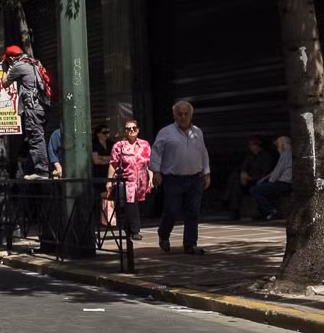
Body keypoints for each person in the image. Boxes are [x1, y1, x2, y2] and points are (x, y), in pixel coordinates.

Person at [151, 100, 211, 255]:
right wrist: (156, 172)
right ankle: (163, 234)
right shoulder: (165, 132)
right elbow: (156, 153)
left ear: (191, 115)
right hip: (173, 179)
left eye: (186, 114)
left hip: (194, 178)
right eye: (180, 114)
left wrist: (206, 173)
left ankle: (190, 244)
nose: (183, 117)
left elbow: (203, 153)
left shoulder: (197, 132)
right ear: (174, 115)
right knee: (171, 210)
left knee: (193, 212)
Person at [0, 45, 50, 179]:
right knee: (35, 138)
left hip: (32, 108)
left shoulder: (19, 66)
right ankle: (31, 169)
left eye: (8, 61)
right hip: (42, 107)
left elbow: (4, 83)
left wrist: (5, 70)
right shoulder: (33, 62)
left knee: (35, 139)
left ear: (11, 58)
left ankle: (42, 171)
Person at [108, 119, 152, 241]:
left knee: (133, 205)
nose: (131, 131)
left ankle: (127, 229)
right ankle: (135, 230)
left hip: (141, 180)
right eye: (128, 129)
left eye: (134, 128)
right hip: (126, 180)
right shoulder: (119, 146)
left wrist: (151, 179)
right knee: (131, 205)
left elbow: (149, 163)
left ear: (138, 130)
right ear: (125, 131)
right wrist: (109, 181)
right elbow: (113, 164)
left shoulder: (145, 144)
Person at [225, 138, 276, 219]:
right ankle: (234, 210)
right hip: (248, 180)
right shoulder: (250, 156)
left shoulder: (266, 156)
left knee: (239, 183)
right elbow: (244, 166)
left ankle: (227, 201)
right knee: (235, 180)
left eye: (252, 145)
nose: (250, 147)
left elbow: (266, 172)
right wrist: (243, 173)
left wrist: (251, 178)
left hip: (259, 179)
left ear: (257, 146)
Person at [251, 136, 292, 221]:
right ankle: (265, 213)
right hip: (284, 183)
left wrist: (269, 182)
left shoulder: (285, 155)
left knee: (255, 190)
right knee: (260, 189)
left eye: (278, 145)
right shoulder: (289, 154)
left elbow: (277, 172)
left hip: (283, 183)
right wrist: (264, 179)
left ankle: (272, 211)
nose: (277, 147)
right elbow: (275, 171)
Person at [92, 124, 112, 191]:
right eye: (104, 132)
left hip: (110, 172)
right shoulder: (94, 144)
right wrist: (109, 160)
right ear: (98, 134)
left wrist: (102, 157)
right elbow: (96, 161)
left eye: (107, 132)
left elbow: (114, 158)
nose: (106, 134)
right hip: (99, 173)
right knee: (103, 194)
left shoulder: (111, 144)